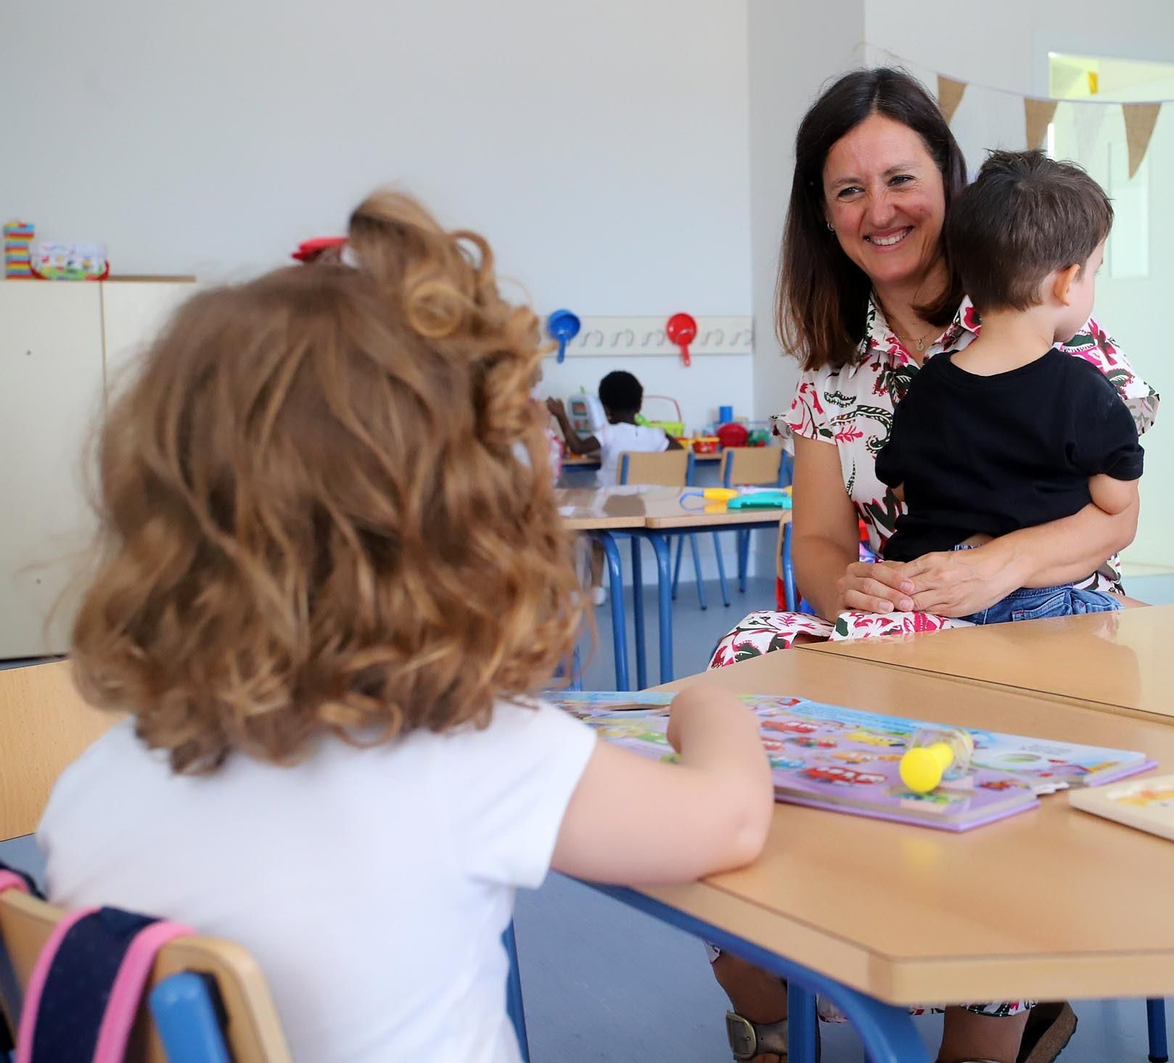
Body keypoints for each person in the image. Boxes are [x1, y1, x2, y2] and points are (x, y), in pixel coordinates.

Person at [39, 191, 773, 1063]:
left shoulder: (89, 787)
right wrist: (710, 704)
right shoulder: (474, 755)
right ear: (469, 525)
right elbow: (728, 822)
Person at [708, 68, 1160, 1063]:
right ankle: (800, 954)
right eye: (849, 191)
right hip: (907, 626)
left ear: (948, 185)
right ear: (822, 219)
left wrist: (1001, 565)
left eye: (901, 178)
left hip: (1047, 624)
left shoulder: (1040, 307)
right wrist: (850, 585)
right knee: (739, 663)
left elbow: (1111, 519)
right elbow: (820, 546)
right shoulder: (828, 372)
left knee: (992, 721)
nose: (881, 210)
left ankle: (989, 1006)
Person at [876, 150, 1142, 625]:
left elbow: (899, 484)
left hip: (923, 597)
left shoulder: (927, 384)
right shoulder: (1084, 389)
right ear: (1066, 284)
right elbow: (1117, 502)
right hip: (1032, 601)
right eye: (1094, 271)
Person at [546, 369, 681, 487]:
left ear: (605, 408)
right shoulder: (656, 435)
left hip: (610, 506)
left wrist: (561, 415)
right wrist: (662, 434)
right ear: (639, 407)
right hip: (644, 505)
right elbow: (682, 453)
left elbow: (578, 447)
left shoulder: (609, 433)